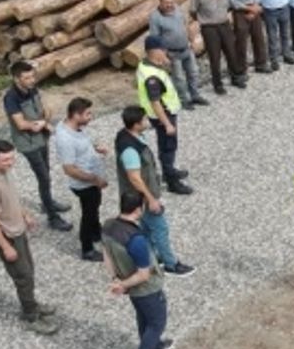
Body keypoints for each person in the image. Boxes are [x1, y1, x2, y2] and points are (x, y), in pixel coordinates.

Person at [0, 140, 59, 335]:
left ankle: (31, 304)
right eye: (5, 159)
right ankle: (30, 315)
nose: (10, 162)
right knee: (23, 276)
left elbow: (12, 198)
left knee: (28, 271)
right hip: (8, 236)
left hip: (18, 231)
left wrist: (24, 214)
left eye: (12, 158)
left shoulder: (5, 173)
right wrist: (5, 246)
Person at [115, 106, 195, 278]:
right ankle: (170, 264)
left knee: (146, 229)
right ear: (136, 124)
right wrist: (150, 199)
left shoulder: (126, 135)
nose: (147, 121)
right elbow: (134, 178)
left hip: (139, 197)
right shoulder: (130, 148)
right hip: (142, 197)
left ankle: (151, 258)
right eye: (144, 119)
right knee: (160, 228)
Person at [102, 190, 173, 349]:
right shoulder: (136, 240)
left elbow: (106, 254)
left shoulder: (108, 226)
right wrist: (123, 285)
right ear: (138, 210)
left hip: (131, 288)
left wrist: (116, 280)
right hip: (146, 289)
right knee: (157, 322)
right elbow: (143, 275)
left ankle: (154, 347)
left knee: (143, 318)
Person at [1, 61, 71, 231]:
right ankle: (52, 217)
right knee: (43, 176)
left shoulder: (32, 90)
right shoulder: (11, 97)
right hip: (28, 143)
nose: (32, 80)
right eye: (27, 78)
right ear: (17, 79)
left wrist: (44, 121)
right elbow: (20, 124)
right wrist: (41, 124)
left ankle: (47, 203)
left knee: (45, 172)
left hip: (40, 138)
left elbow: (46, 110)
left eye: (33, 76)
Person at [136, 36, 192, 195]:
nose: (166, 52)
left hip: (164, 114)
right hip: (163, 116)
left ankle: (170, 171)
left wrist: (163, 62)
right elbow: (155, 102)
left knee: (167, 146)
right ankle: (173, 182)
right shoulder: (151, 77)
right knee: (168, 147)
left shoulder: (147, 64)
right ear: (155, 51)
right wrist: (167, 123)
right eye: (163, 49)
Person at [54, 97, 108, 262]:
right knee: (88, 213)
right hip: (84, 184)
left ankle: (96, 233)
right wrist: (94, 179)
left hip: (91, 179)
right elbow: (69, 169)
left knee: (94, 208)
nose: (90, 117)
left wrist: (95, 148)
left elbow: (82, 147)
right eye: (87, 114)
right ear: (75, 115)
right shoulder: (65, 139)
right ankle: (87, 249)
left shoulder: (75, 127)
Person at [148, 0, 208, 109]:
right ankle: (184, 99)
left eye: (172, 3)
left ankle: (195, 95)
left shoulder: (178, 11)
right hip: (172, 52)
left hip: (186, 48)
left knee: (193, 73)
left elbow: (186, 26)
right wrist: (162, 54)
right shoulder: (155, 17)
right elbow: (155, 37)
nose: (170, 5)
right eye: (167, 3)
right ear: (160, 3)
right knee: (179, 78)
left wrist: (192, 41)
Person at [191, 0, 243, 94]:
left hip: (224, 24)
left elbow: (230, 4)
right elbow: (193, 11)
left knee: (231, 52)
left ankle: (235, 77)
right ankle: (218, 84)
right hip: (209, 28)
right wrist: (203, 20)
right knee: (215, 57)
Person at [223, 0, 270, 75]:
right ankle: (241, 69)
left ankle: (261, 64)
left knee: (258, 37)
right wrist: (249, 10)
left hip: (253, 7)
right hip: (240, 12)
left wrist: (255, 6)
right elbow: (232, 0)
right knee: (241, 41)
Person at [258, 0, 294, 71]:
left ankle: (287, 54)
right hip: (270, 10)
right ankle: (274, 59)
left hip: (284, 7)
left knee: (285, 33)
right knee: (272, 36)